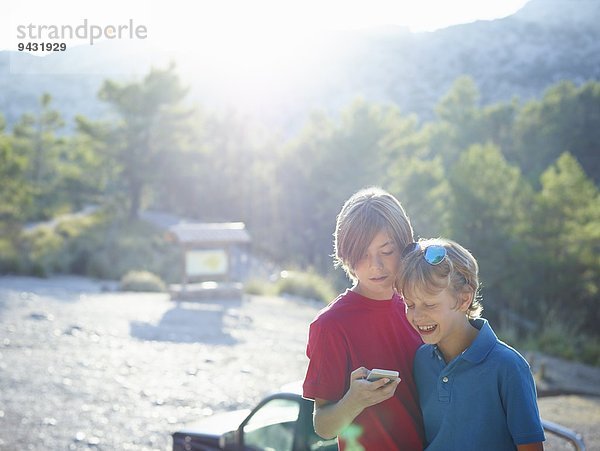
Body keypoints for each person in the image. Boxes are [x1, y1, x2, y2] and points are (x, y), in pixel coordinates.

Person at [302, 187, 424, 450]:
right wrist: (354, 400)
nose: (376, 265)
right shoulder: (331, 325)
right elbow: (323, 426)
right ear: (346, 255)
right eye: (362, 254)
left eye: (387, 251)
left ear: (405, 246)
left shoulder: (420, 305)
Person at [397, 238, 546, 451]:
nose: (417, 316)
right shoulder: (421, 360)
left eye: (429, 304)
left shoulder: (509, 367)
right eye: (409, 304)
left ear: (464, 299)